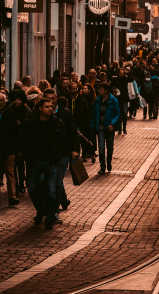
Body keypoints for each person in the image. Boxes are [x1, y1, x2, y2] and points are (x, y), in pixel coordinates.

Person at [21, 98, 70, 230]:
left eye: (51, 106)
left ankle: (49, 217)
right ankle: (41, 209)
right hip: (34, 160)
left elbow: (63, 141)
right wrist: (28, 155)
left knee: (51, 190)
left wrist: (57, 156)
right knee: (31, 188)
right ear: (40, 108)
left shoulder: (57, 123)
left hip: (51, 161)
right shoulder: (31, 123)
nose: (50, 109)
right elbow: (24, 140)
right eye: (47, 106)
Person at [43, 90, 80, 220]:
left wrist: (75, 149)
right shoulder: (40, 114)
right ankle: (47, 209)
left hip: (62, 154)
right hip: (45, 155)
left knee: (57, 184)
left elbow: (73, 132)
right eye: (48, 99)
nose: (51, 102)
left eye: (53, 98)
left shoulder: (65, 113)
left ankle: (54, 211)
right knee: (45, 183)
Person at [90, 83, 121, 174]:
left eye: (101, 89)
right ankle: (102, 166)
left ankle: (109, 163)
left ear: (106, 90)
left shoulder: (113, 100)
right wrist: (92, 127)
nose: (99, 91)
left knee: (110, 147)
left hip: (109, 127)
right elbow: (94, 114)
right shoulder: (97, 101)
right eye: (99, 89)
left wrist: (112, 124)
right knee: (101, 147)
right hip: (100, 127)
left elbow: (117, 114)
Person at [7, 91, 32, 195]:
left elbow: (29, 126)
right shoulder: (9, 110)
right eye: (16, 99)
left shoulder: (27, 111)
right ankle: (16, 185)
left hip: (24, 141)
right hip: (13, 141)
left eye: (19, 100)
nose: (17, 101)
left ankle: (21, 183)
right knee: (13, 165)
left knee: (21, 165)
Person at [113, 68, 134, 134]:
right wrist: (114, 90)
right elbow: (111, 86)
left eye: (122, 73)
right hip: (118, 98)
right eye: (120, 73)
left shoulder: (126, 79)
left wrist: (127, 73)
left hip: (124, 98)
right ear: (118, 73)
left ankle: (124, 128)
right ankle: (119, 129)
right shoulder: (116, 79)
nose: (121, 74)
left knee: (124, 114)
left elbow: (132, 79)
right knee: (119, 114)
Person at [82, 84, 97, 162]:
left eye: (85, 88)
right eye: (83, 88)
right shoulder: (81, 98)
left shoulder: (93, 99)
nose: (83, 90)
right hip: (85, 120)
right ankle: (85, 153)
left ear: (89, 90)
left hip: (91, 120)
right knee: (85, 136)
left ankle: (92, 152)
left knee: (92, 136)